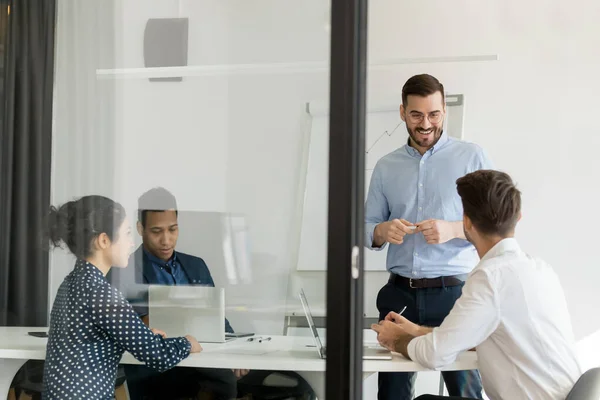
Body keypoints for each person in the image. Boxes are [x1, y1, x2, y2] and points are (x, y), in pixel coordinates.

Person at [372, 170, 581, 400]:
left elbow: (434, 355)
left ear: (467, 222)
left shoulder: (491, 277)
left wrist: (396, 340)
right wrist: (415, 331)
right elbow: (473, 337)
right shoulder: (539, 269)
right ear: (518, 217)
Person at [365, 73, 492, 399]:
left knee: (465, 393)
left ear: (444, 112)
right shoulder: (385, 166)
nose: (425, 123)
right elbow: (366, 228)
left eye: (433, 114)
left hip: (453, 296)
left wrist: (451, 229)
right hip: (399, 295)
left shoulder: (472, 158)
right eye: (416, 114)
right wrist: (381, 230)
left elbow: (492, 223)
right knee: (391, 394)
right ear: (402, 113)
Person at [42, 195, 202, 400]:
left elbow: (90, 339)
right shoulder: (101, 292)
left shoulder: (71, 283)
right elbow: (157, 356)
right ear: (103, 240)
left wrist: (140, 334)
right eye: (127, 233)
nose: (131, 242)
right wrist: (187, 342)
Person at [108, 187, 247, 400]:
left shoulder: (196, 265)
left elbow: (216, 317)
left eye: (172, 230)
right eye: (156, 231)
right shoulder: (122, 271)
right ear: (140, 228)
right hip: (153, 365)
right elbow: (118, 330)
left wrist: (234, 353)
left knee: (234, 380)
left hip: (200, 360)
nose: (166, 240)